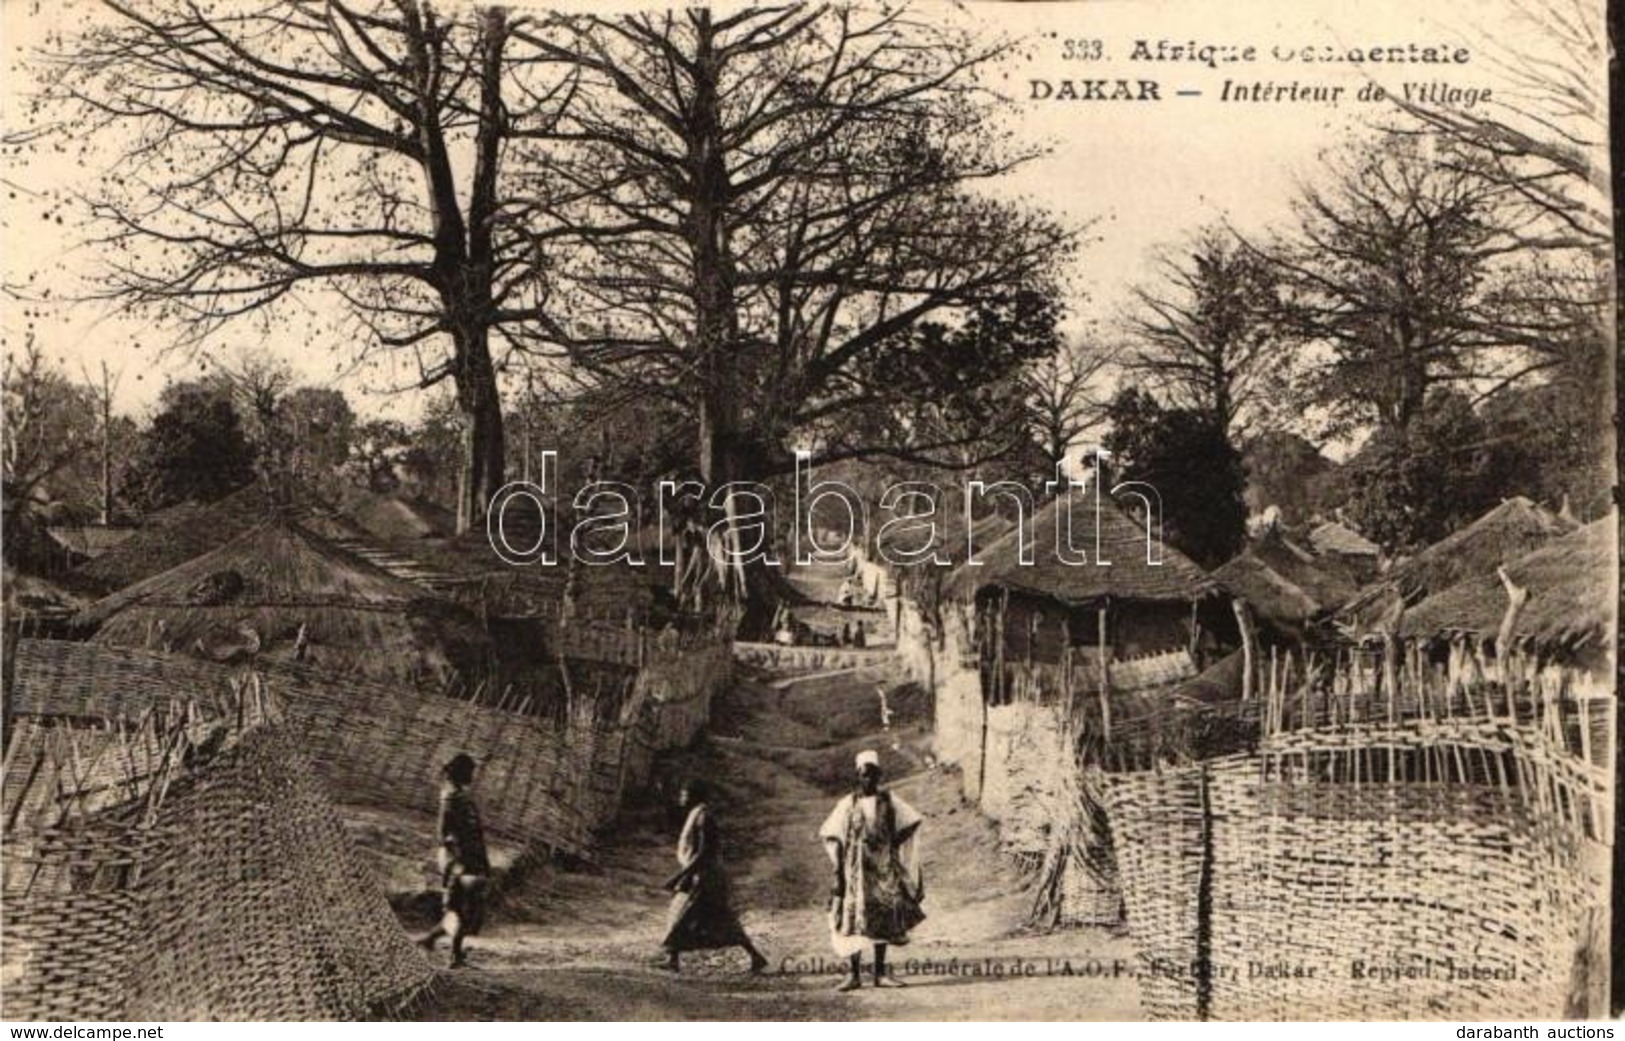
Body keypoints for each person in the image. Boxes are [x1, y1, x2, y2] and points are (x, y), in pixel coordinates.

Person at [818, 749, 924, 991]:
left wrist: (893, 842)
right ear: (857, 776)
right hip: (854, 873)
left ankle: (879, 975)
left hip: (882, 872)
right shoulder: (847, 804)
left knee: (883, 919)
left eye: (874, 775)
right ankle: (853, 975)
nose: (869, 780)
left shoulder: (889, 800)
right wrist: (838, 872)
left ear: (879, 776)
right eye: (864, 775)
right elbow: (832, 836)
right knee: (852, 920)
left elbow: (913, 820)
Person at [660, 779, 770, 975]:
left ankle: (755, 956)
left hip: (705, 876)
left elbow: (704, 853)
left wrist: (682, 874)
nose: (681, 798)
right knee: (690, 914)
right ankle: (672, 958)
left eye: (684, 795)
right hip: (701, 873)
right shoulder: (698, 815)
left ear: (695, 797)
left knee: (686, 915)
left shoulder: (703, 818)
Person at [418, 753, 490, 968]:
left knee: (462, 907)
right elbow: (445, 833)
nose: (472, 776)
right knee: (461, 908)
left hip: (470, 857)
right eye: (469, 771)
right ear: (460, 773)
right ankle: (453, 955)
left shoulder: (459, 797)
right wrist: (456, 860)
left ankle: (432, 941)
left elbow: (474, 833)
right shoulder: (451, 799)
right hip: (460, 859)